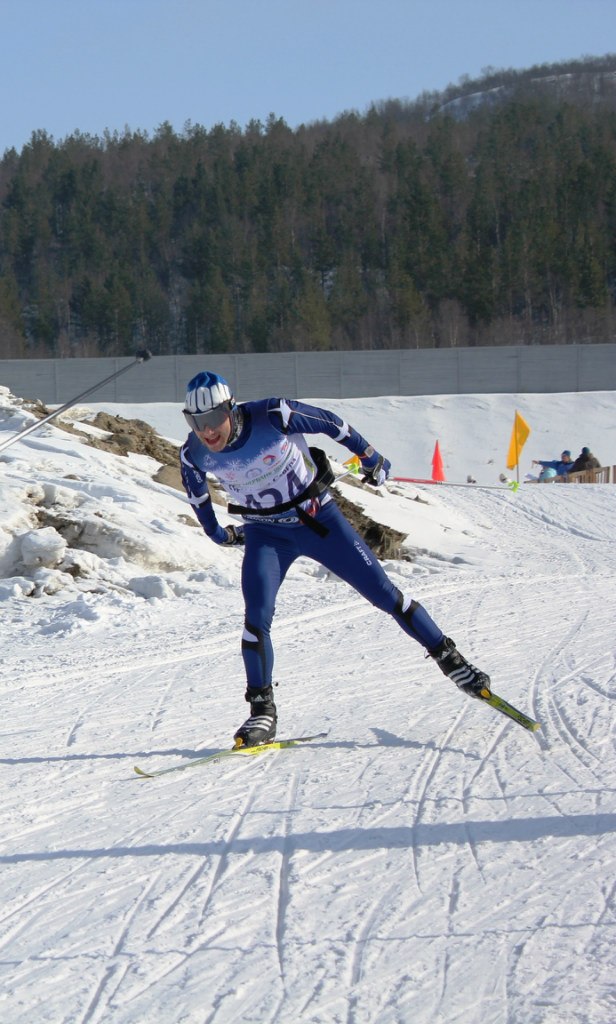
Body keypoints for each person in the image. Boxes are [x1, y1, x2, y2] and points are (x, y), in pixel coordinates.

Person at [180, 371, 491, 747]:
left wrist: (369, 455)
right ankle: (262, 712)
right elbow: (197, 496)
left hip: (319, 522)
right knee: (255, 618)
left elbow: (330, 423)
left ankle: (452, 661)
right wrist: (218, 533)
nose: (207, 431)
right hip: (266, 535)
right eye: (196, 423)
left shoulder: (272, 415)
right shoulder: (193, 453)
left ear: (230, 409)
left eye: (213, 420)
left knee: (385, 595)